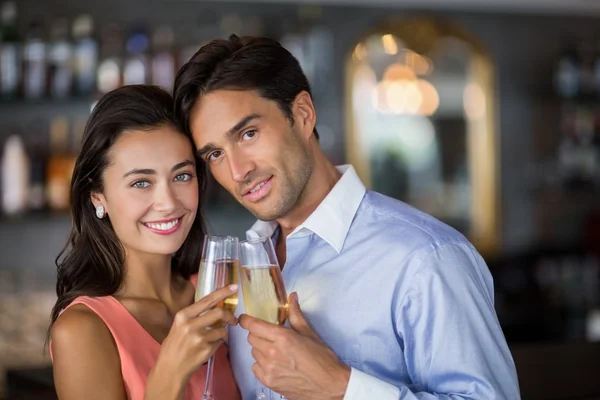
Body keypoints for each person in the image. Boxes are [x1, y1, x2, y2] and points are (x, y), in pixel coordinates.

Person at [173, 35, 521, 400]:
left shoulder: (426, 259)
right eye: (214, 154)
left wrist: (340, 387)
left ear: (303, 114)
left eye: (248, 134)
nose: (237, 170)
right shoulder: (237, 270)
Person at [48, 85, 241, 400]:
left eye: (181, 176)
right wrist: (168, 376)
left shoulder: (218, 296)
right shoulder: (83, 330)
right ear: (99, 197)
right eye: (141, 182)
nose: (167, 202)